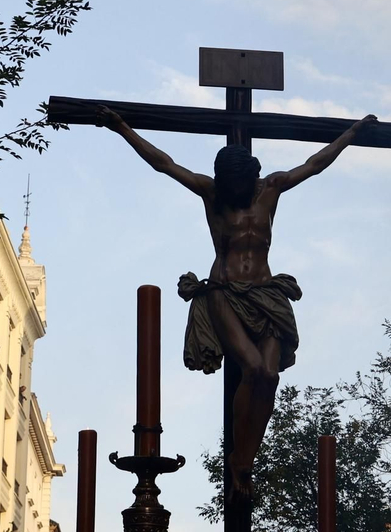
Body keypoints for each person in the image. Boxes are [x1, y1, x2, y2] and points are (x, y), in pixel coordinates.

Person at [97, 106, 376, 506]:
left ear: (251, 179)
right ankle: (239, 462)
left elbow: (316, 164)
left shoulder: (272, 189)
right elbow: (164, 163)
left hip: (266, 296)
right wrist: (123, 128)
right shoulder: (212, 194)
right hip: (224, 294)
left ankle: (244, 457)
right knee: (255, 369)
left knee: (271, 378)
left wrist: (352, 132)